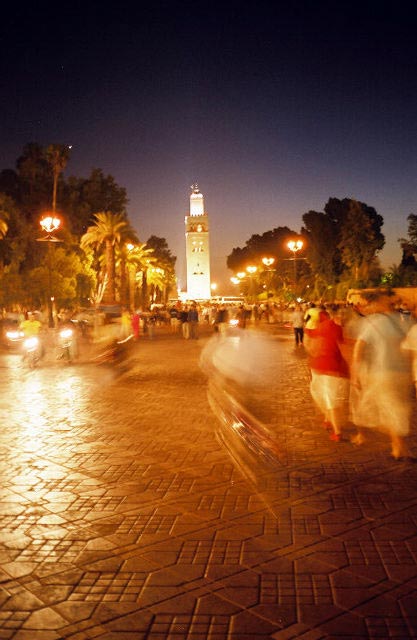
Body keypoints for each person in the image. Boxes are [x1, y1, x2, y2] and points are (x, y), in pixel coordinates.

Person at [349, 292, 413, 460]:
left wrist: (355, 374)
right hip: (403, 371)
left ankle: (397, 446)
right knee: (398, 408)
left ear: (377, 305)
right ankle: (399, 446)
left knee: (391, 408)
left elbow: (358, 349)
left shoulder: (373, 322)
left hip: (382, 372)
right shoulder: (405, 320)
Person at [305, 305, 350, 441]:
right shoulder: (338, 328)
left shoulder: (320, 328)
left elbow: (309, 346)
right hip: (336, 368)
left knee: (327, 398)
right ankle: (328, 419)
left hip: (323, 368)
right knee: (330, 397)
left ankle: (337, 431)